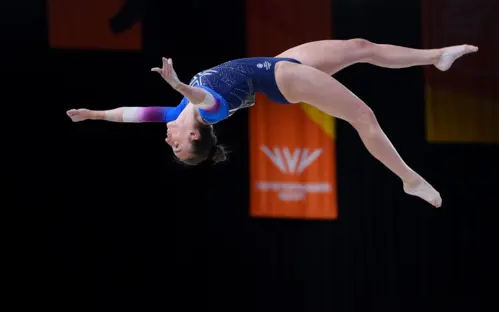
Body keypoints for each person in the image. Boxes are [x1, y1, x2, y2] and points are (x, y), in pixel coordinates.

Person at [67, 39, 477, 207]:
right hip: (281, 77)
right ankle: (408, 178)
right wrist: (177, 83)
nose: (167, 139)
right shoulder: (208, 112)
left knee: (360, 48)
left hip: (281, 63)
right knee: (362, 115)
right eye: (177, 145)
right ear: (194, 136)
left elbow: (131, 115)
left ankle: (435, 56)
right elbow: (205, 96)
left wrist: (93, 115)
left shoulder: (175, 114)